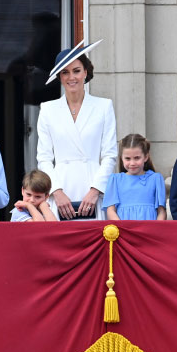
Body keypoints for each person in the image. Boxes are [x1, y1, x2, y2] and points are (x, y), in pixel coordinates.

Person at [37, 40, 117, 220]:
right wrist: (56, 191)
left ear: (86, 72)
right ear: (59, 77)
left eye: (76, 71)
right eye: (65, 72)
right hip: (60, 191)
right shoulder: (48, 109)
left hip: (93, 189)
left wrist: (95, 190)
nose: (71, 77)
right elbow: (44, 157)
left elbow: (110, 155)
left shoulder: (103, 106)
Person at [102, 134, 166, 221]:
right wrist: (123, 230)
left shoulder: (156, 179)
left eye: (137, 158)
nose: (132, 163)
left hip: (149, 230)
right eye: (127, 159)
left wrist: (154, 232)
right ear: (121, 158)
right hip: (124, 230)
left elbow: (161, 212)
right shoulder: (115, 180)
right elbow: (111, 210)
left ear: (146, 157)